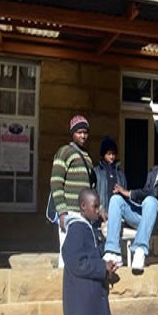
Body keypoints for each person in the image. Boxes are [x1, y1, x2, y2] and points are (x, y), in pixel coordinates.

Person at [103, 140, 158, 272]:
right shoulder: (153, 172)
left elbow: (156, 193)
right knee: (116, 200)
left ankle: (139, 250)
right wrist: (129, 200)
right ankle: (112, 251)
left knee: (150, 200)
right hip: (145, 216)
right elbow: (145, 193)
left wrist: (129, 193)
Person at [50, 115, 96, 268]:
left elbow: (91, 187)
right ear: (72, 133)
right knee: (67, 254)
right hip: (69, 212)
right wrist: (62, 212)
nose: (83, 136)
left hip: (84, 214)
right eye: (79, 132)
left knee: (81, 254)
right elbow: (56, 183)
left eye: (85, 132)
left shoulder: (87, 157)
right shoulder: (64, 152)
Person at [94, 136, 127, 223]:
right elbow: (93, 193)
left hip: (117, 215)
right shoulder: (97, 172)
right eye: (109, 154)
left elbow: (125, 193)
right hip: (101, 214)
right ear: (103, 154)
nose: (112, 157)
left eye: (113, 154)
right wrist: (99, 209)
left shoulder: (120, 174)